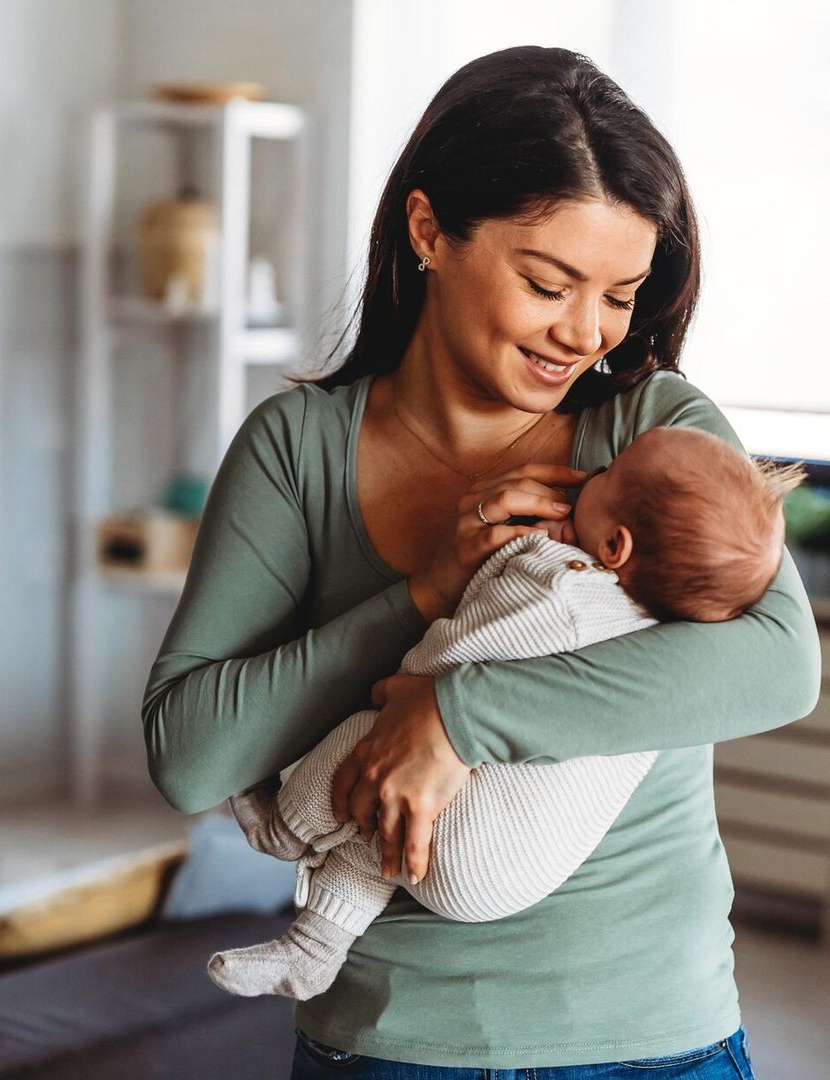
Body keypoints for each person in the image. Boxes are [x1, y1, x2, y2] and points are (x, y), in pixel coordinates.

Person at [142, 45, 820, 1076]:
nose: (585, 334)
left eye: (621, 293)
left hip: (657, 1041)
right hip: (392, 1045)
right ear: (429, 231)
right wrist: (425, 594)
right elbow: (189, 757)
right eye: (549, 283)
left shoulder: (652, 438)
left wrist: (456, 717)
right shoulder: (299, 449)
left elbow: (779, 665)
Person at [204, 428, 805, 1002]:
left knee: (375, 740)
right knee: (382, 830)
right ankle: (313, 950)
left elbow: (450, 662)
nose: (594, 471)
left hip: (470, 839)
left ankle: (284, 828)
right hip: (515, 872)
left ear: (614, 546)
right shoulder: (661, 646)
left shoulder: (560, 590)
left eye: (608, 473)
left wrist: (418, 698)